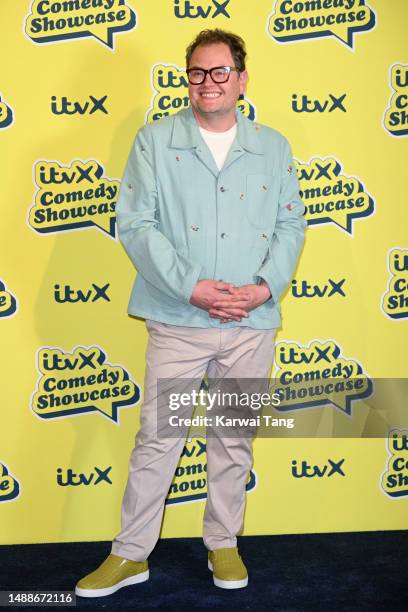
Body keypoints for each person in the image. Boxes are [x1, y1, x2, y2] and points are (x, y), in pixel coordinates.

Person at [75, 28, 306, 597]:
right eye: (197, 73)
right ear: (188, 79)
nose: (208, 83)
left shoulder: (273, 146)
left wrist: (261, 288)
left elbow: (290, 224)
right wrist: (193, 288)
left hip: (250, 323)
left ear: (241, 79)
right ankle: (131, 554)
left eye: (220, 72)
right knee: (159, 436)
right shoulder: (155, 141)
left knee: (233, 437)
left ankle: (223, 543)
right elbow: (135, 224)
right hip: (179, 320)